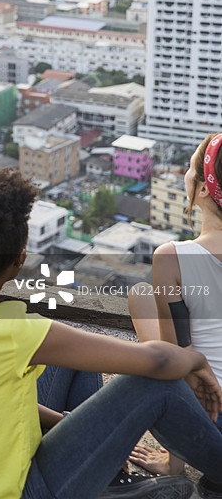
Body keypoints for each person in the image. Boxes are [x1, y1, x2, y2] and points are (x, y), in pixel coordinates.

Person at [0, 161, 222, 499]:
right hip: (21, 492)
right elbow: (159, 362)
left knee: (73, 359)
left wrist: (81, 429)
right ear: (19, 259)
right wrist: (195, 360)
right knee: (155, 383)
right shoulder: (15, 333)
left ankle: (105, 476)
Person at [128, 132, 222, 493]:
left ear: (203, 189)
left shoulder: (173, 257)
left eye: (191, 167)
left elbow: (173, 364)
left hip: (212, 439)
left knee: (140, 297)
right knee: (142, 296)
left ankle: (176, 461)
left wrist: (173, 463)